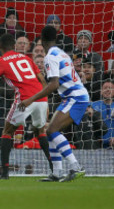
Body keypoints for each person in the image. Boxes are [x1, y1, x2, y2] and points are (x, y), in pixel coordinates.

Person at [0, 34, 51, 180]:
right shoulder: (27, 58)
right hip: (41, 97)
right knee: (40, 132)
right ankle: (54, 168)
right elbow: (42, 79)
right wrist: (46, 102)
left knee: (7, 131)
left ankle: (5, 173)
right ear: (14, 46)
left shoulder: (0, 61)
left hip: (24, 98)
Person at [19, 26, 88, 182]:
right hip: (72, 97)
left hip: (75, 97)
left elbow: (54, 84)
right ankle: (57, 173)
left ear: (41, 40)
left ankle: (76, 166)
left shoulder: (50, 56)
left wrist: (31, 99)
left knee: (51, 130)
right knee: (50, 130)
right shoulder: (61, 52)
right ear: (55, 38)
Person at [91, 80, 114, 148]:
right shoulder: (93, 105)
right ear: (101, 91)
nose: (107, 90)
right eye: (105, 88)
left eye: (110, 88)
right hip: (96, 145)